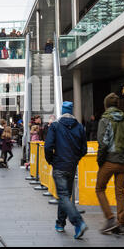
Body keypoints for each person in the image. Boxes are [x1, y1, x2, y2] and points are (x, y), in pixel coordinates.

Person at [95, 93, 124, 236]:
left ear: (106, 105)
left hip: (109, 160)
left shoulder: (105, 120)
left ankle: (110, 219)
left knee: (100, 188)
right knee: (119, 192)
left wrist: (100, 161)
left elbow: (103, 143)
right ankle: (121, 225)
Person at [44, 101, 88, 239]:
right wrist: (75, 159)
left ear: (62, 111)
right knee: (65, 196)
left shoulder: (55, 126)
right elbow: (84, 149)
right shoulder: (80, 127)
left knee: (63, 195)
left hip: (59, 165)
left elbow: (48, 146)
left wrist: (51, 160)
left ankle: (78, 222)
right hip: (71, 166)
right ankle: (60, 223)